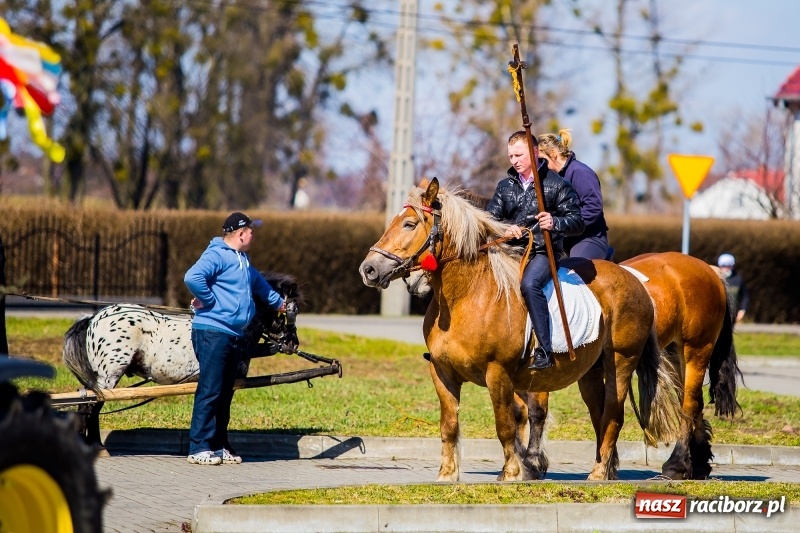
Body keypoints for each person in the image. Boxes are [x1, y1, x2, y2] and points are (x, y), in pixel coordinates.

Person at [184, 211, 286, 465]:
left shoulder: (244, 261)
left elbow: (260, 285)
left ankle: (217, 446)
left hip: (233, 334)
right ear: (241, 234)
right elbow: (192, 277)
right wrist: (209, 301)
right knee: (210, 389)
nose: (254, 235)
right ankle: (198, 448)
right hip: (212, 332)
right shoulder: (217, 254)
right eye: (252, 231)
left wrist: (280, 303)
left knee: (225, 392)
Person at [486, 131, 584, 370]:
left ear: (534, 153)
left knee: (530, 285)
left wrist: (554, 223)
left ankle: (545, 350)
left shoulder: (556, 184)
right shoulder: (505, 186)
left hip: (542, 253)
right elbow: (490, 220)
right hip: (509, 251)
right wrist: (506, 229)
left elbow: (577, 222)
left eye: (519, 154)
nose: (514, 160)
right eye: (510, 156)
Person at [537, 129, 609, 260]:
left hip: (590, 239)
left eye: (541, 160)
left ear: (553, 153)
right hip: (563, 240)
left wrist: (565, 224)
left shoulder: (580, 172)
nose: (539, 165)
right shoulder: (550, 178)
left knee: (574, 269)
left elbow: (593, 207)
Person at [717, 253, 749, 323]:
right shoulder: (716, 279)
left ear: (733, 266)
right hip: (718, 314)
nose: (726, 268)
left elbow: (745, 296)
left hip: (732, 315)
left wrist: (742, 310)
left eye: (729, 265)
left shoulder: (738, 280)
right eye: (724, 265)